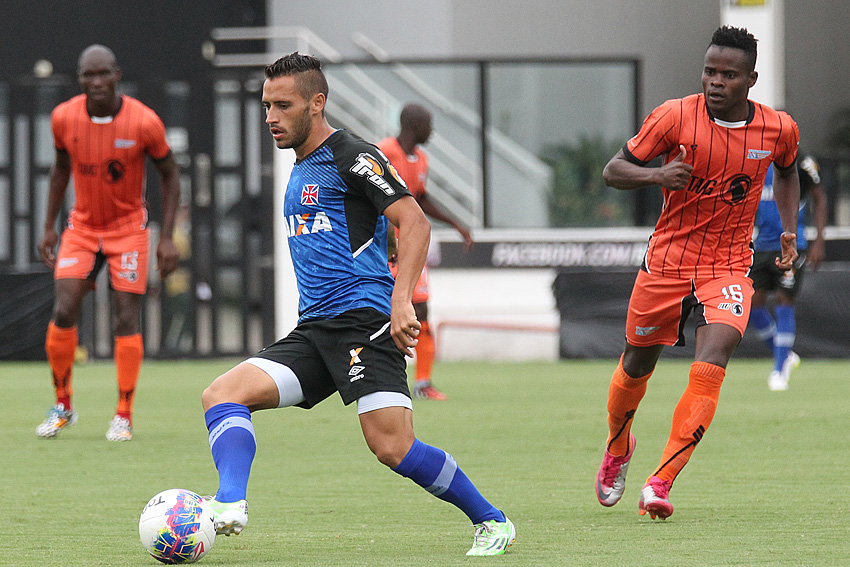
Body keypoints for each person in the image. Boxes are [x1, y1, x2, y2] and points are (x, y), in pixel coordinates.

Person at [200, 52, 514, 556]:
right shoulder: (301, 166)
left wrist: (401, 301)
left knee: (393, 448)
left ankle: (492, 521)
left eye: (283, 106)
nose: (271, 117)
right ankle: (229, 503)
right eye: (266, 106)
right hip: (315, 331)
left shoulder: (352, 155)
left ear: (316, 103)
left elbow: (414, 222)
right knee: (222, 395)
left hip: (363, 324)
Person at [594, 26, 800, 520]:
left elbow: (788, 170)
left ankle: (660, 482)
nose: (715, 82)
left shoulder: (778, 129)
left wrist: (790, 230)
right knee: (636, 365)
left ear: (751, 79)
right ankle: (618, 445)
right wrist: (656, 175)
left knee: (713, 361)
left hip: (728, 265)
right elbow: (613, 170)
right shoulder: (673, 116)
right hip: (666, 261)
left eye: (728, 75)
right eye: (710, 72)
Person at [36, 44, 180, 441]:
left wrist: (167, 237)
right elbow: (60, 169)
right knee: (64, 309)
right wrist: (48, 226)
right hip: (82, 228)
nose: (97, 81)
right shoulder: (64, 117)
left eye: (103, 73)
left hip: (128, 230)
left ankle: (123, 414)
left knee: (125, 317)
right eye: (89, 74)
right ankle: (63, 404)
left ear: (117, 75)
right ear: (80, 79)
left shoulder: (144, 121)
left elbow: (170, 174)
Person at [377, 103, 474, 401]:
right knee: (379, 312)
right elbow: (372, 197)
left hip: (412, 248)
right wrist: (385, 240)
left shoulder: (421, 159)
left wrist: (456, 224)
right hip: (383, 251)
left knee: (421, 312)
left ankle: (422, 383)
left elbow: (419, 198)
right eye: (429, 125)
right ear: (415, 125)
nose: (432, 131)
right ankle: (376, 378)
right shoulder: (383, 152)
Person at [749, 155, 827, 390]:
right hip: (761, 244)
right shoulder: (756, 156)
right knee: (753, 304)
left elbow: (819, 197)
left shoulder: (803, 161)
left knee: (784, 300)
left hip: (792, 243)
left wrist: (819, 242)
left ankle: (780, 368)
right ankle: (784, 354)